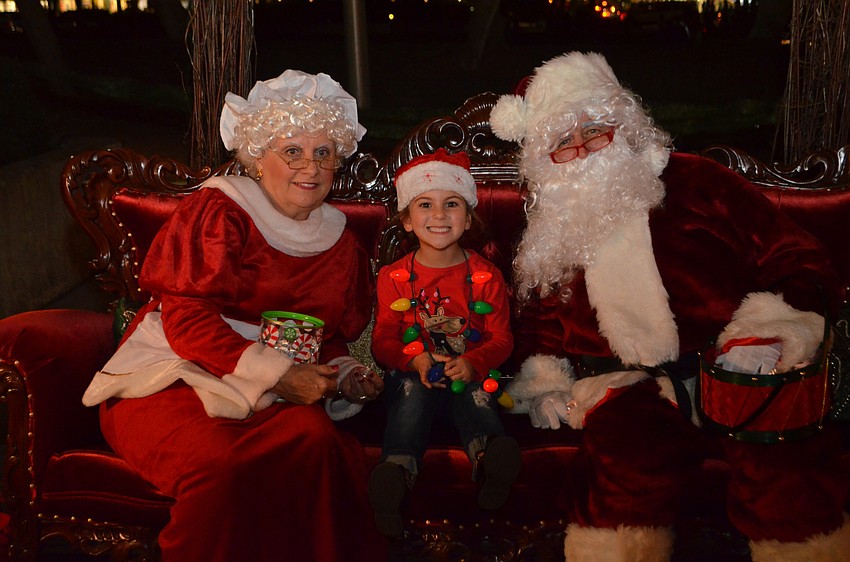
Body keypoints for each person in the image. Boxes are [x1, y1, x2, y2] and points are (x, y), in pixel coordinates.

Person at [489, 51, 850, 561]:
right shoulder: (553, 227)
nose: (583, 149)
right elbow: (541, 322)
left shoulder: (698, 182)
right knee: (620, 473)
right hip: (626, 388)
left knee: (787, 476)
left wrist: (766, 334)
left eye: (595, 130)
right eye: (562, 144)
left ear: (624, 123)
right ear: (544, 162)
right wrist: (546, 381)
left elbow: (799, 259)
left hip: (737, 372)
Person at [81, 70, 387, 562]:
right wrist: (281, 375)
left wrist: (346, 375)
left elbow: (325, 340)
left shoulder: (342, 242)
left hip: (271, 395)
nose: (309, 167)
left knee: (318, 444)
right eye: (292, 151)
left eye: (323, 153)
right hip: (172, 375)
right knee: (221, 465)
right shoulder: (220, 212)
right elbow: (187, 320)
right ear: (258, 157)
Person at [368, 149, 521, 537]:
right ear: (406, 220)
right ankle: (396, 476)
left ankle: (489, 461)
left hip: (466, 373)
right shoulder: (393, 277)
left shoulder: (486, 275)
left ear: (467, 218)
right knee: (409, 394)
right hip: (413, 375)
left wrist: (474, 361)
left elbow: (502, 338)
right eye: (425, 205)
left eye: (451, 204)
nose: (439, 215)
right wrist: (416, 359)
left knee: (473, 393)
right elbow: (383, 339)